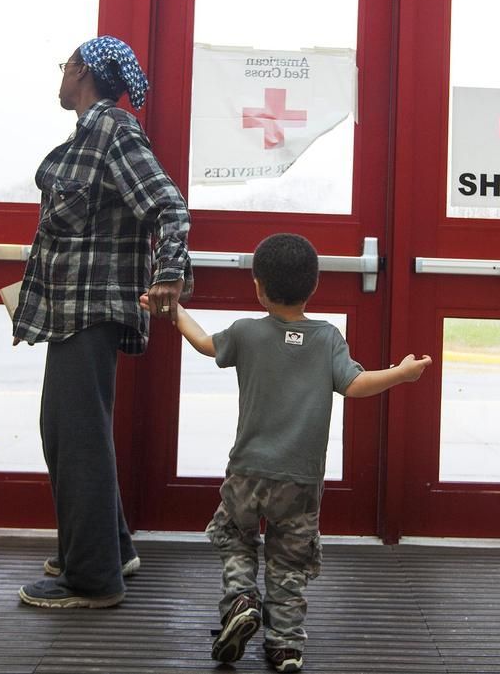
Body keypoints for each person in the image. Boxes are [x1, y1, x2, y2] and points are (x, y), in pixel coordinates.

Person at [143, 232, 431, 672]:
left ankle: (241, 598)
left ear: (257, 285)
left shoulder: (246, 333)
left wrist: (176, 312)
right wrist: (400, 374)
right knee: (289, 561)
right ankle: (285, 646)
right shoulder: (327, 338)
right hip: (299, 480)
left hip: (246, 471)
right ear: (314, 287)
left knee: (234, 535)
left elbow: (204, 344)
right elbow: (355, 385)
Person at [12, 35, 191, 609]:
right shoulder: (91, 133)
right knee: (70, 435)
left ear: (84, 71)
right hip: (72, 312)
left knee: (76, 440)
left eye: (64, 66)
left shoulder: (115, 131)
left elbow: (168, 205)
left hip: (90, 313)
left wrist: (169, 274)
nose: (59, 76)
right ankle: (107, 549)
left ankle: (91, 580)